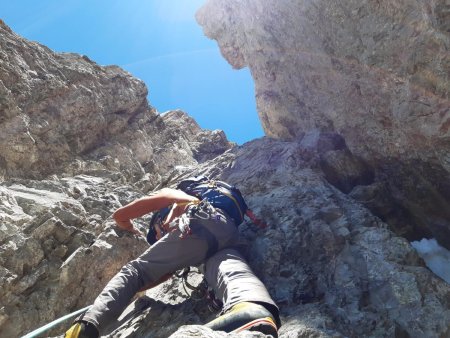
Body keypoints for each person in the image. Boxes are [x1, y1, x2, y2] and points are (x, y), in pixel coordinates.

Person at [65, 186, 280, 338]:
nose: (158, 240)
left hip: (197, 221)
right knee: (229, 268)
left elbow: (120, 215)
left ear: (159, 221)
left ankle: (84, 329)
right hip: (228, 233)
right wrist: (135, 291)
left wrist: (128, 226)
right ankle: (252, 308)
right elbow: (163, 274)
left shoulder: (179, 196)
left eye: (156, 235)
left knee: (135, 270)